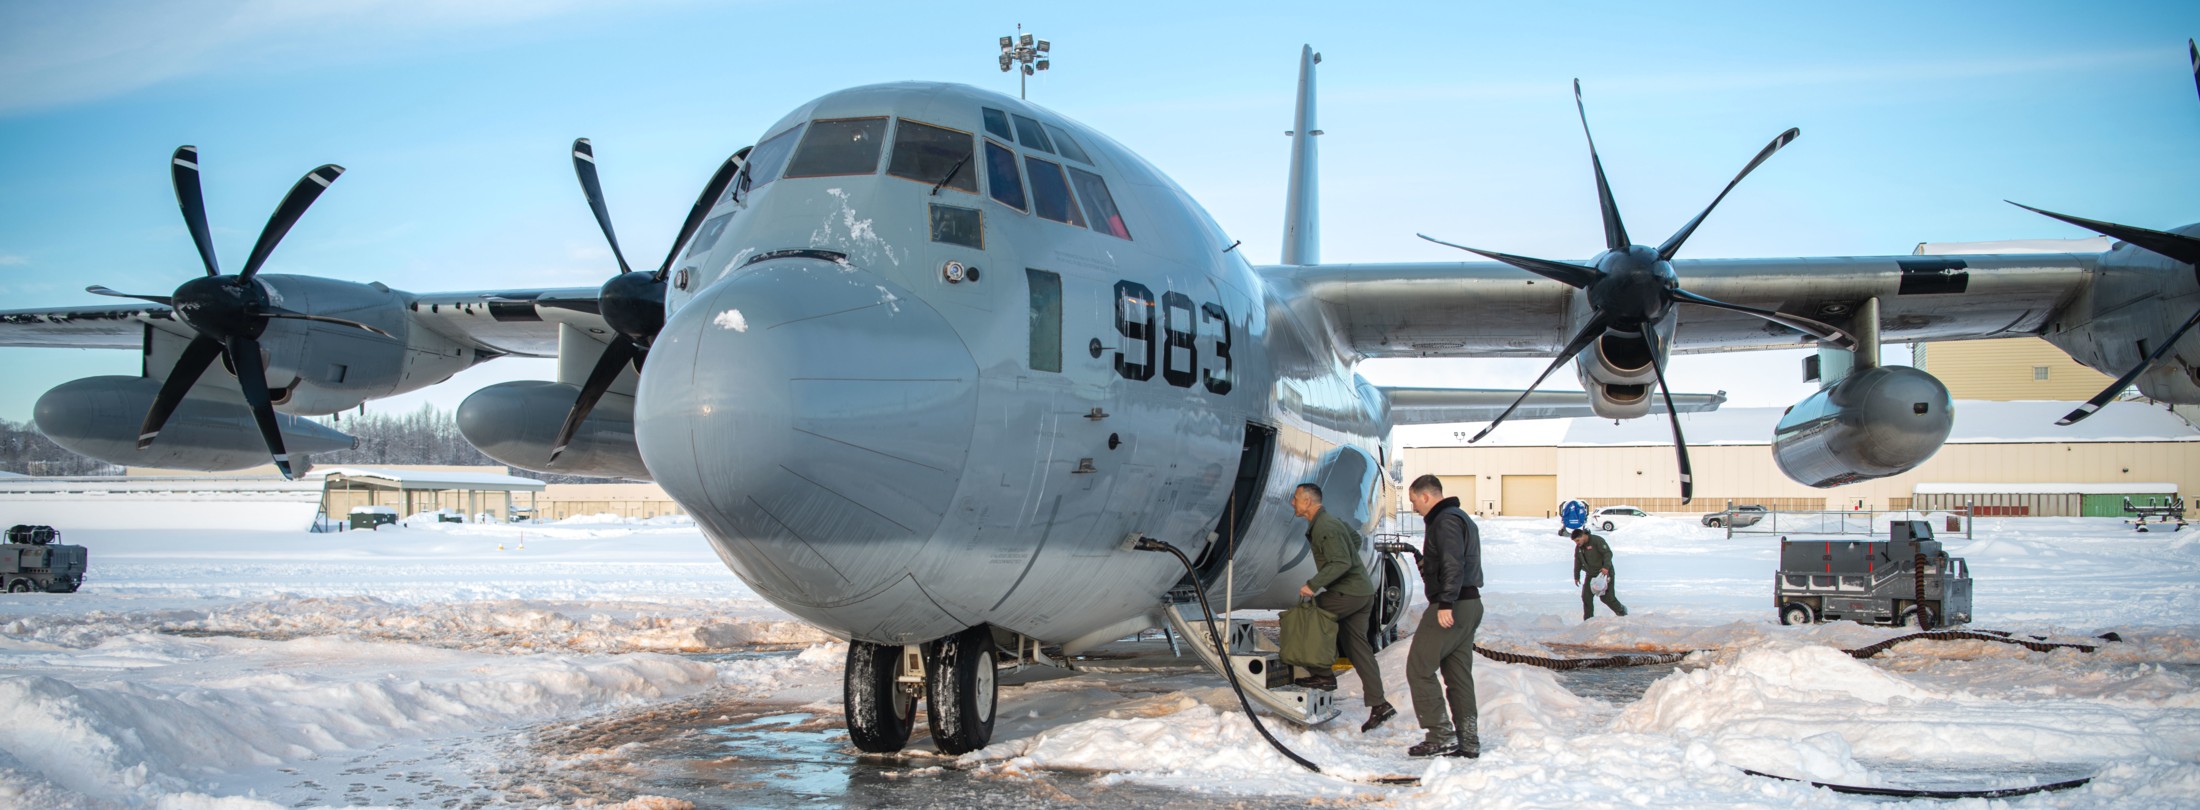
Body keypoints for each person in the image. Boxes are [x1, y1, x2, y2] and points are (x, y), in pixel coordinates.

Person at [1288, 483, 1396, 733]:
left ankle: (1322, 675)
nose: (1292, 503)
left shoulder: (1325, 526)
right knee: (1358, 648)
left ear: (1307, 501)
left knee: (1309, 619)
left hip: (1349, 593)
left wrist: (1313, 585)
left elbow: (1341, 561)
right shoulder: (1330, 522)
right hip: (1362, 592)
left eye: (1295, 499)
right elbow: (1355, 539)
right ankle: (1379, 704)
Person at [1404, 474, 1483, 758]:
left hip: (1453, 605)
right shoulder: (1459, 517)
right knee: (1458, 674)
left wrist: (1445, 602)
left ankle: (1440, 736)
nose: (1414, 508)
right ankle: (1468, 739)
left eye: (1414, 501)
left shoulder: (1445, 520)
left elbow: (1453, 562)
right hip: (1469, 603)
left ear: (1426, 496)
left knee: (1419, 668)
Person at [1571, 527, 1629, 620]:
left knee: (1607, 598)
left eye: (1578, 540)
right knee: (1586, 597)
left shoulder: (1597, 540)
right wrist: (1576, 576)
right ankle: (1588, 620)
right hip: (1590, 574)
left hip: (1604, 573)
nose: (1577, 543)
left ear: (1583, 535)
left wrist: (1606, 567)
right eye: (1575, 541)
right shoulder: (1579, 548)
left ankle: (1621, 611)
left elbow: (1608, 553)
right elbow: (1577, 561)